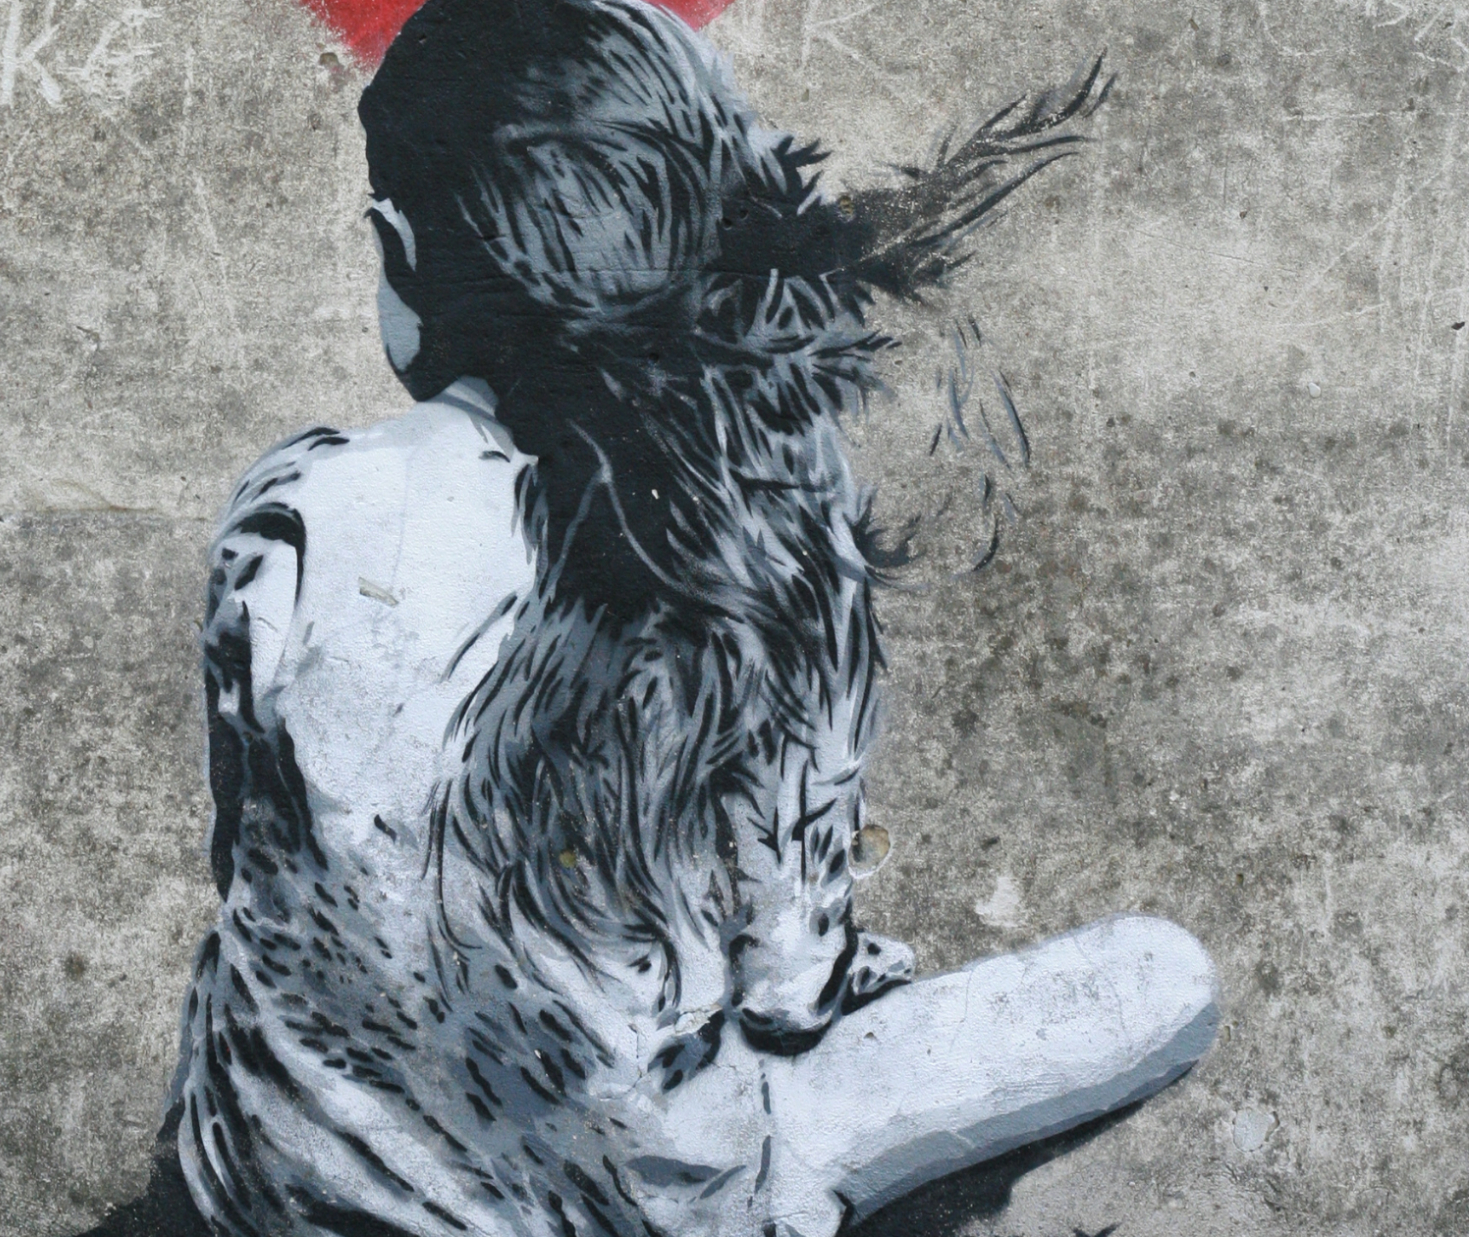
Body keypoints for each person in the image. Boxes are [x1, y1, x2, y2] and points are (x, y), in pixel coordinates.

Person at [109, 2, 1219, 1234]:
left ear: (400, 248)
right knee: (1159, 976)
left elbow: (247, 855)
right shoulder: (764, 534)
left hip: (281, 1183)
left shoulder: (297, 509)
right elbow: (791, 990)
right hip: (640, 1206)